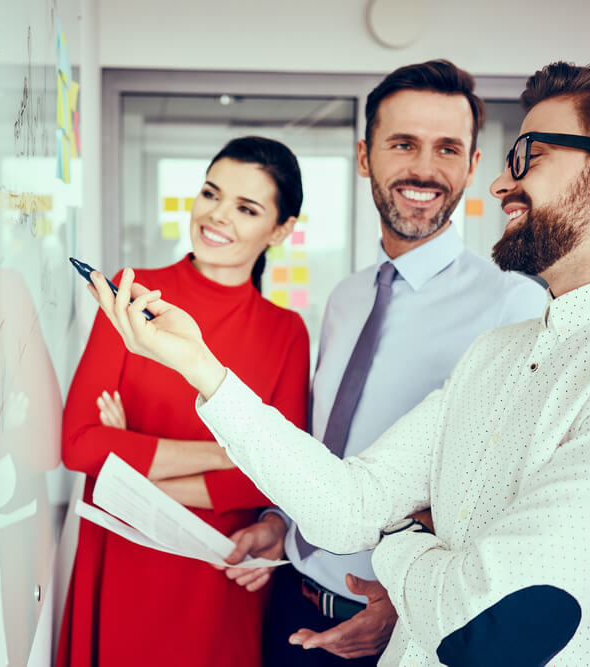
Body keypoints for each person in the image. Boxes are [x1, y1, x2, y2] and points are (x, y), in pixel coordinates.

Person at [87, 59, 590, 666]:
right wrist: (200, 365)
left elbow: (488, 627)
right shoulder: (498, 353)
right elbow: (347, 506)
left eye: (530, 156)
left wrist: (398, 542)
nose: (502, 184)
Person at [220, 61, 546, 666]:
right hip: (292, 599)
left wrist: (404, 601)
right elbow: (329, 436)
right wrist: (278, 518)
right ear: (365, 156)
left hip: (399, 629)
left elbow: (509, 491)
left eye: (447, 148)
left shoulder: (515, 303)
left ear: (473, 166)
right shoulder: (346, 297)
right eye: (403, 144)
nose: (424, 168)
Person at [55, 136, 311, 667]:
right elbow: (81, 448)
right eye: (211, 194)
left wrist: (128, 466)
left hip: (220, 571)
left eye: (246, 208)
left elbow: (274, 477)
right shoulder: (132, 295)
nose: (217, 216)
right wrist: (229, 452)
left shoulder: (285, 332)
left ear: (281, 230)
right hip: (124, 560)